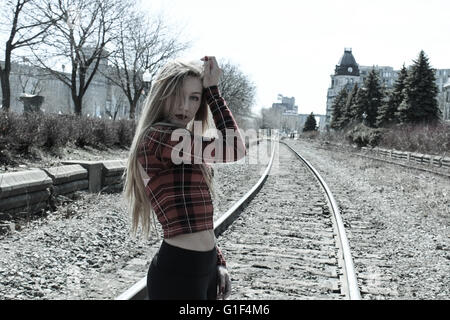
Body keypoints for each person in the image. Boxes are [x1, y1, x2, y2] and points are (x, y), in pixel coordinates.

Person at [122, 56, 246, 300]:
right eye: (177, 95)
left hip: (205, 269)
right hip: (178, 272)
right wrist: (212, 91)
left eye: (194, 98)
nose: (185, 106)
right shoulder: (158, 137)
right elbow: (236, 149)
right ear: (161, 95)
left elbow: (198, 219)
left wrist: (217, 260)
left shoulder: (184, 143)